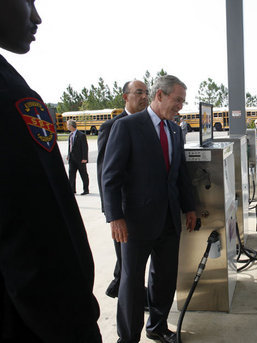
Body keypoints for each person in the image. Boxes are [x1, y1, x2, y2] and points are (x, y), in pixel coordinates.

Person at [0, 1, 101, 342]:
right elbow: (41, 228)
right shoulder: (10, 96)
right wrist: (77, 323)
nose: (36, 16)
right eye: (26, 0)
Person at [103, 75, 197, 343]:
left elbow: (180, 176)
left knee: (165, 278)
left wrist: (189, 207)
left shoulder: (176, 130)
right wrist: (115, 217)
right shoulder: (128, 127)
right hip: (134, 222)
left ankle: (157, 326)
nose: (181, 105)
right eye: (177, 99)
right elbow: (111, 177)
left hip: (169, 219)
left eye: (183, 100)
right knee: (131, 283)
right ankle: (128, 337)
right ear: (159, 95)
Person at [97, 79, 149, 298]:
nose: (144, 96)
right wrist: (112, 213)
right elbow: (105, 173)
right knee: (126, 258)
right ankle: (128, 294)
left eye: (146, 92)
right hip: (123, 208)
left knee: (128, 261)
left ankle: (120, 285)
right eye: (138, 92)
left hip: (145, 206)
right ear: (126, 97)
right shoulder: (112, 126)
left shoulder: (150, 125)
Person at [67, 119, 89, 195]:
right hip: (72, 159)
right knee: (71, 174)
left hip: (80, 159)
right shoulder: (70, 135)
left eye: (68, 125)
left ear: (71, 126)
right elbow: (70, 146)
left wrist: (84, 158)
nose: (67, 127)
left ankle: (86, 189)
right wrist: (68, 155)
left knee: (83, 174)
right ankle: (72, 189)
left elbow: (85, 147)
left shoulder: (81, 135)